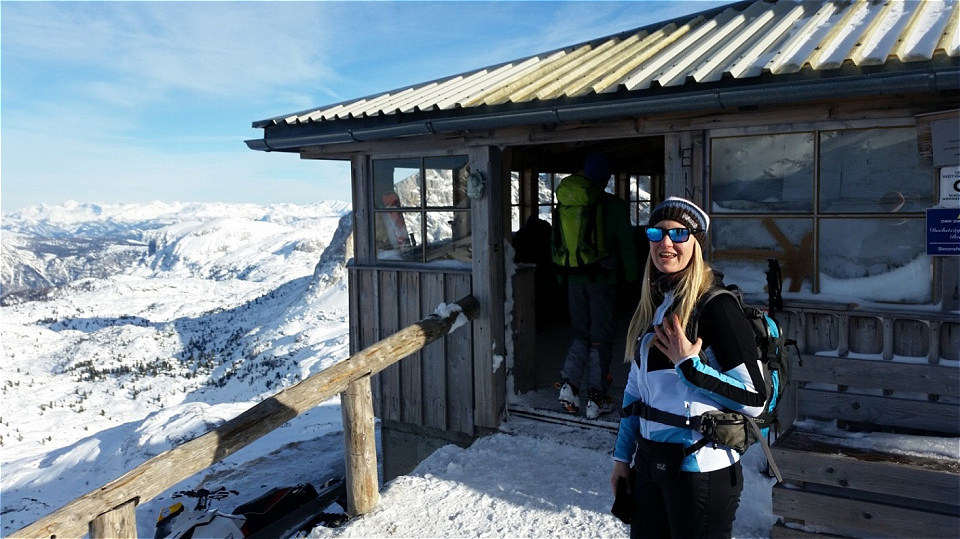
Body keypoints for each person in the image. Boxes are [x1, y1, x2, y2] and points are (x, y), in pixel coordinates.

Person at [609, 197, 764, 538]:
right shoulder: (656, 305)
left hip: (700, 469)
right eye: (657, 233)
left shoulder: (717, 306)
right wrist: (622, 460)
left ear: (697, 243)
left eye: (679, 234)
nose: (666, 242)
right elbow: (635, 394)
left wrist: (689, 365)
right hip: (651, 462)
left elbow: (754, 399)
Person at [556, 153, 639, 419]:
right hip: (603, 281)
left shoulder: (566, 204)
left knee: (580, 334)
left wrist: (562, 276)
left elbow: (556, 243)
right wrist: (633, 278)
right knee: (600, 338)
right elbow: (626, 244)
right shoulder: (615, 206)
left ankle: (569, 387)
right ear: (606, 177)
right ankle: (596, 396)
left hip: (573, 278)